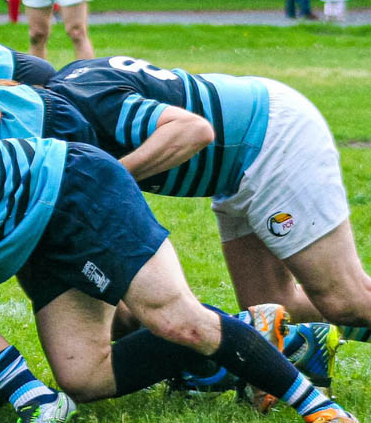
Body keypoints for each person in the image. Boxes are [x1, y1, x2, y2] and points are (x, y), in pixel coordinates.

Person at [0, 114, 356, 423]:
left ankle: (322, 410)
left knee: (176, 317)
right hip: (38, 238)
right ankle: (247, 333)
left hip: (77, 193)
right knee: (82, 376)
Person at [48, 55, 371, 362]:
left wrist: (108, 178)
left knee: (345, 300)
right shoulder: (67, 93)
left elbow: (194, 131)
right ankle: (314, 345)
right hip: (236, 164)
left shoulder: (85, 100)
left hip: (269, 138)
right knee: (273, 307)